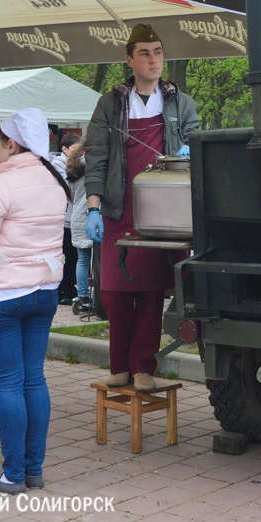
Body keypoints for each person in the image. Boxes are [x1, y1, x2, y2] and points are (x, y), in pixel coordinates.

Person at [0, 108, 70, 494]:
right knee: (33, 379)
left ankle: (13, 475)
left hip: (2, 293)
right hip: (44, 290)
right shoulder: (54, 180)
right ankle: (32, 470)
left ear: (11, 145)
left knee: (8, 384)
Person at [84, 23, 199, 391]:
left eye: (158, 53)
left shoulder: (181, 103)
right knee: (113, 292)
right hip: (118, 210)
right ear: (129, 60)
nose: (154, 60)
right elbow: (96, 157)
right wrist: (93, 208)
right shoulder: (110, 103)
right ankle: (118, 364)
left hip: (163, 212)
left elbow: (198, 144)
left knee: (150, 292)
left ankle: (143, 367)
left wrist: (191, 150)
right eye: (145, 54)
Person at [65, 136, 96, 313]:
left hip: (76, 217)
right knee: (98, 259)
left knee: (82, 260)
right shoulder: (94, 168)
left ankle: (83, 296)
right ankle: (99, 295)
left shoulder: (73, 171)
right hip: (92, 215)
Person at [50, 133, 79, 305]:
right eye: (75, 150)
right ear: (65, 149)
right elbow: (68, 188)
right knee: (63, 256)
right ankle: (61, 290)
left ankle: (69, 288)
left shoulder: (78, 163)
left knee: (73, 257)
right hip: (62, 219)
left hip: (74, 218)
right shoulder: (57, 164)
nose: (79, 153)